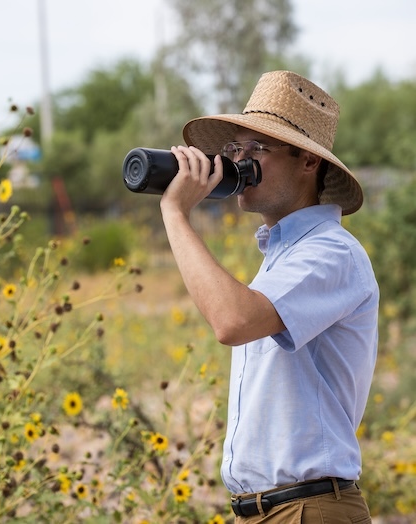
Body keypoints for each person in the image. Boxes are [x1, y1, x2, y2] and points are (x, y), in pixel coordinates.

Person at [160, 70, 379, 523]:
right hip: (265, 510)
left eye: (258, 149)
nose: (242, 162)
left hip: (307, 509)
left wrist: (175, 213)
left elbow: (232, 321)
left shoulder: (331, 252)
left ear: (308, 162)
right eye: (235, 149)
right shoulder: (281, 257)